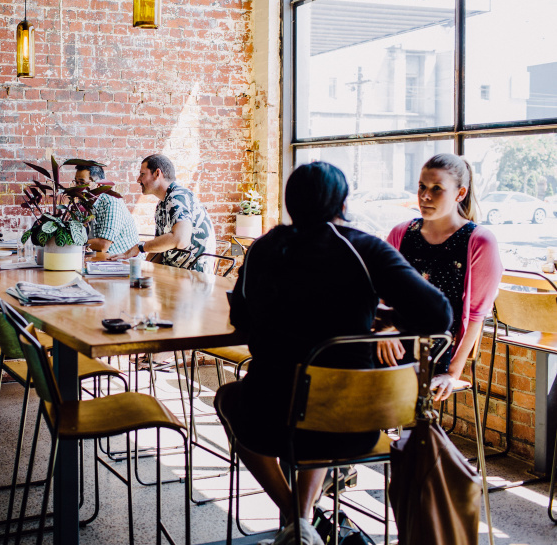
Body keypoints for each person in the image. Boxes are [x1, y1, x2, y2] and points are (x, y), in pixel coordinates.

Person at [214, 162, 452, 544]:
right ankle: (302, 518)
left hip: (270, 418)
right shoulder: (363, 247)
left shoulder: (265, 248)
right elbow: (438, 314)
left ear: (291, 202)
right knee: (321, 401)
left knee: (229, 397)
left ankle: (296, 520)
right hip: (353, 422)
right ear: (342, 202)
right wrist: (385, 319)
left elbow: (241, 319)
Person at [379, 153, 503, 402]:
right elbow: (382, 293)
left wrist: (453, 373)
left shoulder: (478, 241)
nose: (425, 196)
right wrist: (384, 333)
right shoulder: (402, 233)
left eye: (437, 189)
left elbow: (477, 315)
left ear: (460, 194)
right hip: (393, 341)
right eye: (422, 187)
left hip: (438, 351)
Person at [111, 153, 217, 273]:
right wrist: (140, 270)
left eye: (142, 174)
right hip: (174, 273)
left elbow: (180, 239)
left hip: (193, 277)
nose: (138, 180)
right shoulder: (162, 204)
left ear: (157, 173)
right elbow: (159, 250)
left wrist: (140, 247)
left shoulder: (177, 197)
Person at [73, 164, 138, 256]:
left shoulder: (111, 202)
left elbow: (103, 245)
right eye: (76, 182)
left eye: (82, 183)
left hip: (125, 263)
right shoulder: (82, 204)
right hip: (100, 261)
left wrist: (74, 240)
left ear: (98, 184)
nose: (77, 187)